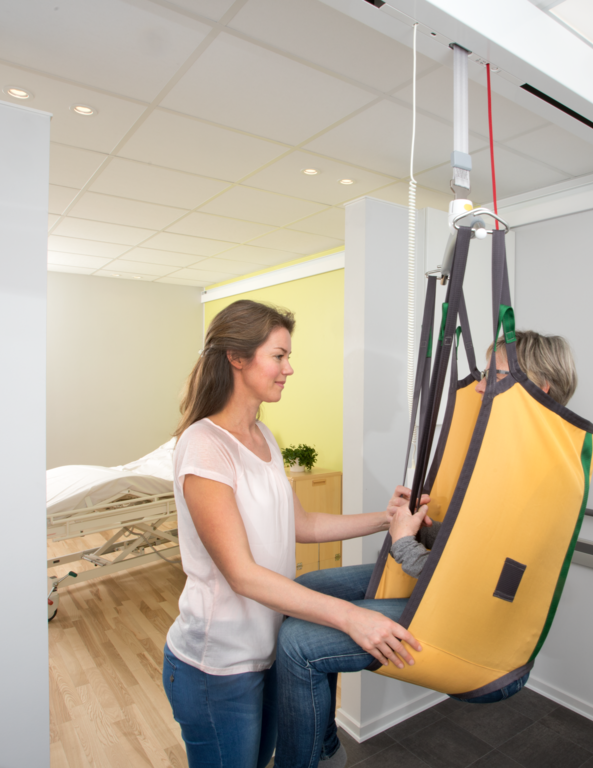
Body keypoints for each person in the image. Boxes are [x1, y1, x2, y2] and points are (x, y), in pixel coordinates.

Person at [273, 330, 579, 768]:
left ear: (538, 388)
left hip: (461, 621)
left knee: (298, 643)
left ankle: (309, 759)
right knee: (304, 591)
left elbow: (467, 581)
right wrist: (412, 519)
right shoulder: (500, 451)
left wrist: (403, 542)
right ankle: (323, 750)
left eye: (493, 377)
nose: (478, 387)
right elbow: (464, 542)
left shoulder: (532, 475)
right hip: (435, 588)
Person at [161, 299, 423, 768]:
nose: (289, 369)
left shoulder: (263, 436)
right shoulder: (204, 446)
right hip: (217, 666)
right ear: (236, 358)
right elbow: (242, 574)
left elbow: (303, 524)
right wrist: (351, 618)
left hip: (268, 650)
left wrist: (388, 519)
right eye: (278, 356)